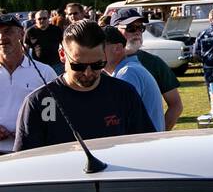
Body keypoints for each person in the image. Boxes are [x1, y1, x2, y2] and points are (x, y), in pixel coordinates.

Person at [13, 19, 154, 151]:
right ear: (62, 55)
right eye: (78, 66)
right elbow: (26, 162)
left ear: (105, 56)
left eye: (97, 64)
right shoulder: (39, 102)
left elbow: (144, 148)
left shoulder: (124, 93)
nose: (88, 73)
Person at [111, 8, 183, 130]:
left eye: (141, 28)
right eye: (131, 28)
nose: (137, 32)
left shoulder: (154, 63)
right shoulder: (100, 64)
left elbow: (175, 105)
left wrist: (158, 132)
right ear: (114, 31)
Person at [0, 14, 56, 154]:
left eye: (7, 31)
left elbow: (51, 117)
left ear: (21, 33)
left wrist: (26, 130)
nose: (1, 37)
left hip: (30, 153)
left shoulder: (44, 72)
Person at [103, 25, 164, 131]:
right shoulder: (129, 69)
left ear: (117, 48)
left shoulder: (127, 73)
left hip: (144, 144)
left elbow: (119, 119)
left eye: (99, 47)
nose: (94, 52)